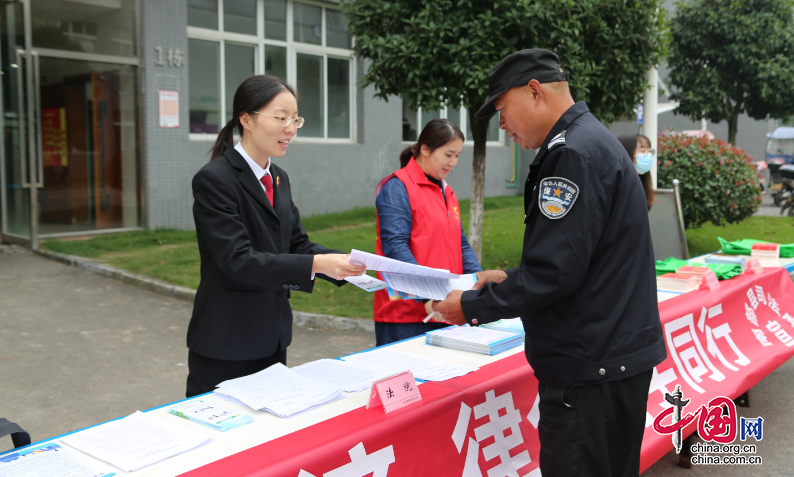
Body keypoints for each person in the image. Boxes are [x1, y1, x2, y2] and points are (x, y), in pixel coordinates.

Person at [433, 49, 666, 476]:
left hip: (590, 367)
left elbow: (555, 273)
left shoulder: (570, 155)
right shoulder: (592, 140)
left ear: (534, 92)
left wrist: (469, 307)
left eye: (502, 110)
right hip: (613, 357)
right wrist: (510, 278)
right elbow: (581, 257)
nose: (502, 125)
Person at [186, 75, 366, 398]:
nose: (291, 129)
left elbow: (296, 244)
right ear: (246, 119)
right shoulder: (215, 180)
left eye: (295, 119)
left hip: (272, 338)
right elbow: (237, 259)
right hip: (226, 344)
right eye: (280, 118)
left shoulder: (278, 178)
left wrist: (345, 264)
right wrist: (315, 263)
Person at [374, 119, 482, 346]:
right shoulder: (398, 187)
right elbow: (395, 246)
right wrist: (428, 297)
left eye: (458, 156)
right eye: (448, 154)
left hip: (444, 308)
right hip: (407, 314)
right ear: (425, 149)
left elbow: (460, 244)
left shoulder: (446, 191)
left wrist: (479, 284)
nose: (453, 162)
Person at [618, 133, 656, 211]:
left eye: (649, 150)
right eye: (643, 150)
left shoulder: (640, 182)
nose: (648, 155)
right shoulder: (619, 186)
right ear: (626, 152)